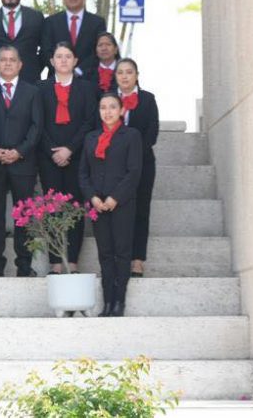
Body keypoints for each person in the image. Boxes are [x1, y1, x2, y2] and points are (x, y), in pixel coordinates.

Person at [0, 46, 43, 277]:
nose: (7, 64)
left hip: (22, 162)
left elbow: (37, 127)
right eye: (2, 60)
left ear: (20, 65)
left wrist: (19, 151)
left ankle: (24, 263)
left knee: (24, 214)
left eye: (12, 60)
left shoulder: (32, 92)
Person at [79, 92, 142, 317]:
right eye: (103, 107)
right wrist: (93, 198)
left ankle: (119, 302)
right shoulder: (91, 138)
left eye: (112, 107)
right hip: (98, 205)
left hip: (122, 203)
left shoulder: (131, 135)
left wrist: (115, 198)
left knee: (122, 252)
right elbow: (83, 174)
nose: (108, 112)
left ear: (122, 110)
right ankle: (107, 303)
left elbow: (134, 172)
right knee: (105, 253)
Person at [37, 42, 98, 274]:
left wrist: (69, 149)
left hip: (77, 156)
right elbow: (37, 123)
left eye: (67, 56)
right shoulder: (40, 88)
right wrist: (53, 150)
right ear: (51, 62)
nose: (63, 60)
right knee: (52, 208)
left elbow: (90, 122)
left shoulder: (87, 89)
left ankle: (72, 260)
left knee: (74, 207)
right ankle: (55, 261)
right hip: (48, 156)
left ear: (75, 61)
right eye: (58, 57)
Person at [115, 58, 159, 278]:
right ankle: (119, 257)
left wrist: (130, 154)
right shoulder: (108, 100)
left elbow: (152, 133)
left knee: (141, 211)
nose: (124, 76)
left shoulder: (148, 99)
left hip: (143, 164)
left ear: (137, 75)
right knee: (119, 213)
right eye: (120, 72)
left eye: (129, 72)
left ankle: (137, 260)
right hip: (114, 167)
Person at [41, 0, 106, 75]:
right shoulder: (50, 22)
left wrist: (79, 71)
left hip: (88, 79)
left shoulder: (97, 22)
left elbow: (99, 51)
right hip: (56, 79)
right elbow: (46, 50)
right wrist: (61, 69)